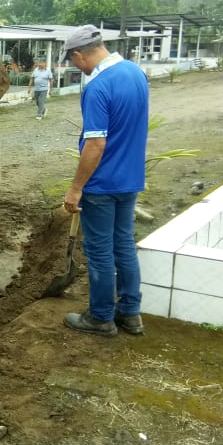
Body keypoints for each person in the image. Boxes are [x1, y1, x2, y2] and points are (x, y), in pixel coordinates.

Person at [61, 24, 149, 337]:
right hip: (130, 179)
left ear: (78, 55)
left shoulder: (98, 86)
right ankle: (130, 314)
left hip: (102, 185)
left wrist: (76, 188)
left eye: (73, 62)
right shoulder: (136, 73)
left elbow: (96, 144)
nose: (77, 68)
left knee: (99, 251)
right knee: (124, 245)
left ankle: (100, 317)